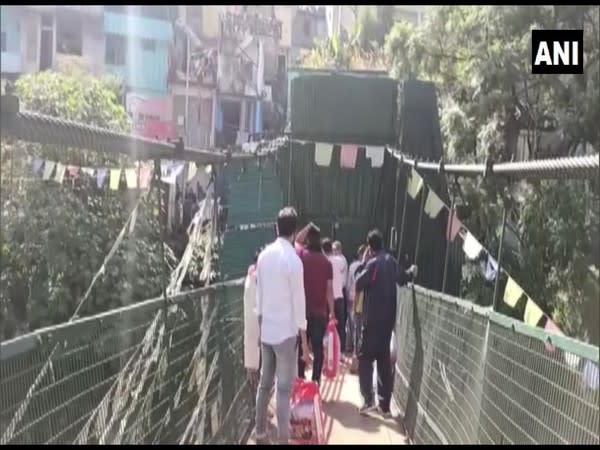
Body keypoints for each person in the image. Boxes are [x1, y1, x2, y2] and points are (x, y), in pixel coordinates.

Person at [255, 207, 311, 445]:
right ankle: (282, 440)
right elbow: (300, 303)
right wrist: (305, 344)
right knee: (284, 389)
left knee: (264, 384)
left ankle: (259, 434)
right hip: (286, 335)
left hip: (267, 332)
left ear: (277, 227)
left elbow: (259, 297)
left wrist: (260, 329)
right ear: (294, 231)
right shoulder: (293, 261)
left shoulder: (263, 256)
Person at [354, 229, 417, 418]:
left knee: (365, 360)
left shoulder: (372, 263)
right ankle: (385, 406)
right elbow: (402, 278)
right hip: (387, 321)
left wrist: (364, 261)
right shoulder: (391, 261)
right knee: (383, 363)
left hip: (371, 321)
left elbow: (358, 282)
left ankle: (368, 400)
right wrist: (411, 272)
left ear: (369, 247)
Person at [294, 223, 335, 385]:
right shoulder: (326, 263)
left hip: (302, 311)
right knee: (318, 351)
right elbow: (329, 290)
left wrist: (306, 228)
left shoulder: (301, 256)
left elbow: (296, 241)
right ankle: (316, 382)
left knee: (301, 350)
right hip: (320, 313)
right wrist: (332, 311)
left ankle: (300, 380)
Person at [322, 238, 347, 355]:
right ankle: (340, 352)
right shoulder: (340, 260)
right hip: (339, 297)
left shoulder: (323, 261)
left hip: (327, 299)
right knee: (340, 326)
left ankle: (327, 352)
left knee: (326, 326)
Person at [243, 248, 262, 388]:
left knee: (252, 357)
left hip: (250, 322)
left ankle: (254, 388)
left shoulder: (250, 275)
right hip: (258, 323)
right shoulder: (257, 276)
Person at [346, 244, 366, 372]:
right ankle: (357, 361)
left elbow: (349, 283)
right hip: (360, 302)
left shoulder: (353, 266)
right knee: (359, 330)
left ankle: (353, 354)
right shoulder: (363, 267)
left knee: (353, 328)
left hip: (354, 300)